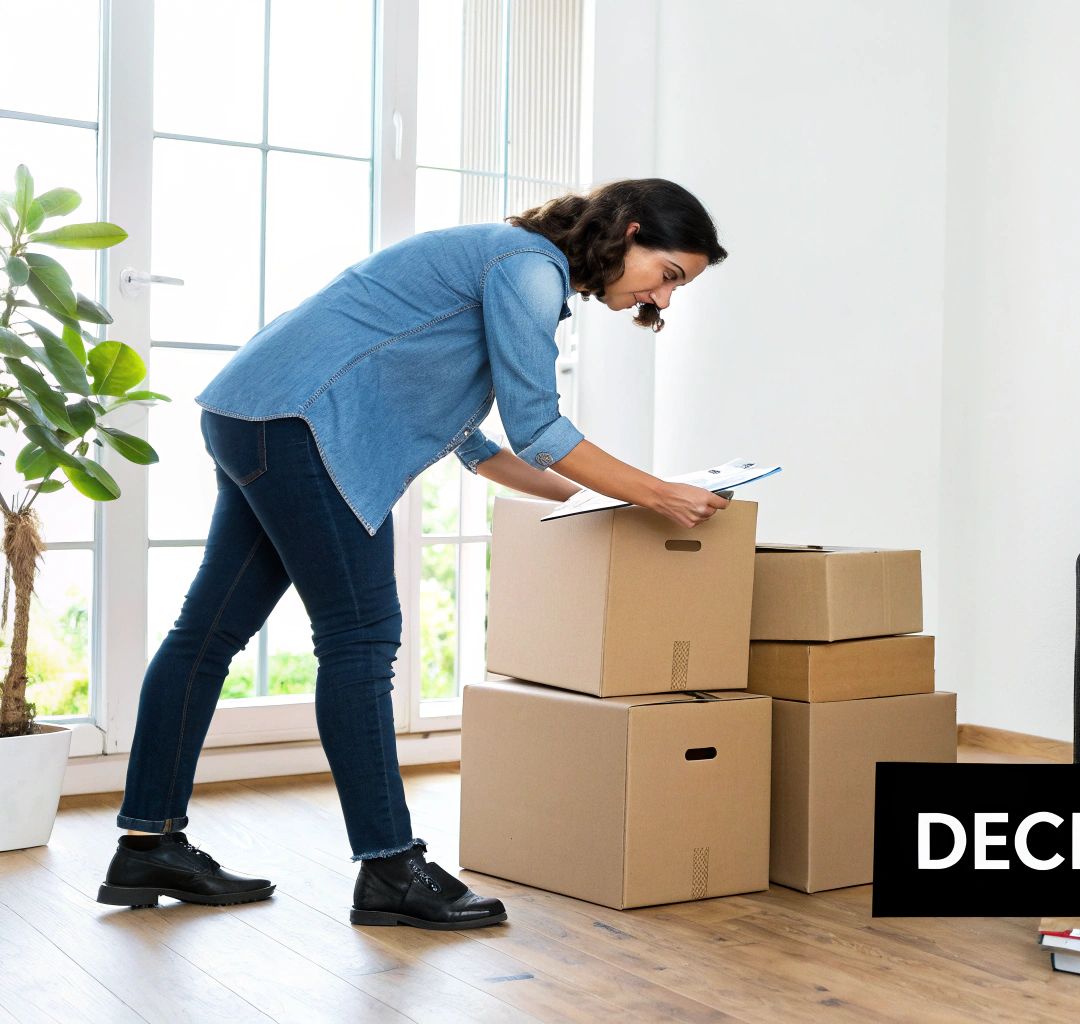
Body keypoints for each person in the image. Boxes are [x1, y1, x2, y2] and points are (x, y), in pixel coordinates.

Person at [96, 178, 729, 930]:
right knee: (360, 639)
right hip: (301, 425)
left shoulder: (506, 262)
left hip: (255, 414)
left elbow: (482, 448)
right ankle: (391, 868)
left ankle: (148, 845)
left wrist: (601, 498)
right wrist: (656, 492)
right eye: (670, 275)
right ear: (629, 233)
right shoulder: (527, 270)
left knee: (205, 636)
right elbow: (539, 427)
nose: (664, 298)